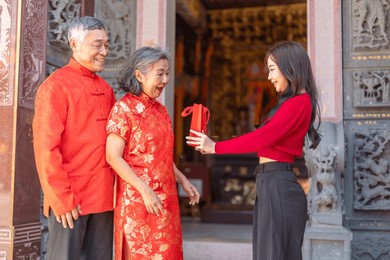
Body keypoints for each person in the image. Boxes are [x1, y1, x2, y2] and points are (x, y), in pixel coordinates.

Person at [186, 40, 322, 260]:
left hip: (277, 184)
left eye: (271, 69)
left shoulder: (298, 102)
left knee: (272, 254)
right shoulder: (294, 103)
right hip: (272, 183)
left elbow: (262, 137)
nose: (268, 77)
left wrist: (215, 147)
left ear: (289, 67)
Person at [105, 46, 200, 260]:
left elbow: (162, 155)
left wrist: (183, 179)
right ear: (139, 75)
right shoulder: (123, 109)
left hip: (165, 201)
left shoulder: (161, 111)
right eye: (160, 74)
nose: (165, 79)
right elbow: (113, 156)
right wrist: (145, 190)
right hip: (138, 202)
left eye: (167, 73)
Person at [33, 16, 115, 260]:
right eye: (97, 44)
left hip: (104, 198)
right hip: (71, 200)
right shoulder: (56, 86)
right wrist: (61, 198)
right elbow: (46, 148)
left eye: (107, 45)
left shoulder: (106, 89)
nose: (104, 51)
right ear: (75, 44)